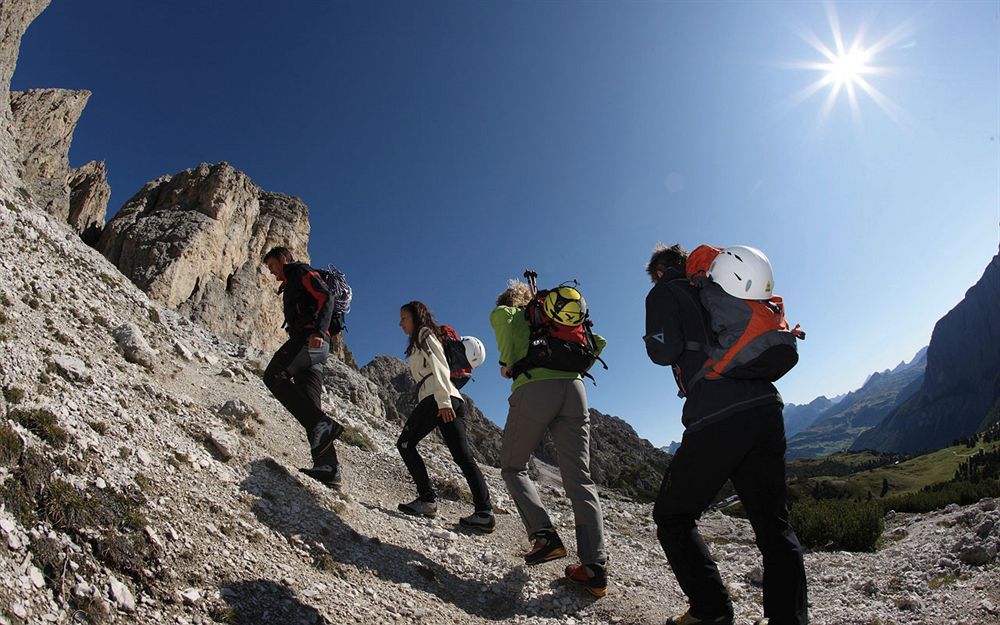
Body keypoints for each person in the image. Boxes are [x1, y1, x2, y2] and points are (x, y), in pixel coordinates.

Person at [644, 244, 808, 625]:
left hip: (716, 414)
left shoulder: (665, 291)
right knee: (774, 526)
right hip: (766, 405)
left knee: (672, 516)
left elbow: (662, 352)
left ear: (658, 272)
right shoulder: (716, 285)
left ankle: (711, 611)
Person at [489, 280, 609, 597]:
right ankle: (594, 569)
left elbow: (506, 364)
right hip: (576, 390)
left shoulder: (509, 313)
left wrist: (509, 361)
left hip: (535, 389)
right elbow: (597, 342)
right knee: (580, 479)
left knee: (513, 467)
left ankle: (545, 536)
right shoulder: (561, 317)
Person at [396, 301, 495, 532]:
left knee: (405, 444)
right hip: (451, 398)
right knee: (463, 457)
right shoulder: (422, 336)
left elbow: (439, 363)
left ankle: (427, 500)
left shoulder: (424, 333)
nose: (400, 323)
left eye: (404, 318)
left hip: (438, 398)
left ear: (416, 317)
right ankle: (484, 512)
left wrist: (442, 401)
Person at [262, 246, 344, 488]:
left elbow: (326, 296)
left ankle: (325, 425)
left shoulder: (300, 272)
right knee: (310, 407)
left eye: (273, 266)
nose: (273, 273)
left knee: (273, 375)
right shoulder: (291, 281)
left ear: (282, 259)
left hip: (311, 340)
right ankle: (328, 467)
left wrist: (318, 331)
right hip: (316, 348)